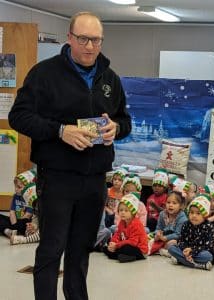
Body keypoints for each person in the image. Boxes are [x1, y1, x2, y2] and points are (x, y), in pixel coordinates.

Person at [8, 11, 131, 300]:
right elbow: (19, 117)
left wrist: (117, 128)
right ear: (70, 38)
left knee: (81, 252)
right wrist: (60, 131)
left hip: (95, 180)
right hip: (57, 178)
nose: (90, 46)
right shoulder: (44, 74)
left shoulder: (110, 78)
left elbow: (124, 120)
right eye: (83, 39)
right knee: (51, 250)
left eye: (96, 40)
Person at [168, 194, 214, 271]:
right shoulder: (186, 224)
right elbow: (182, 240)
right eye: (191, 212)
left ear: (205, 215)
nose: (194, 216)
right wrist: (185, 249)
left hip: (200, 252)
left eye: (198, 213)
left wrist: (192, 250)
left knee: (207, 256)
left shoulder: (209, 227)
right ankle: (198, 265)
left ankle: (181, 260)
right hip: (186, 251)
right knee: (171, 248)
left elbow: (209, 246)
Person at [103, 192, 148, 263]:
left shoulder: (137, 224)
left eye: (126, 210)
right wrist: (113, 242)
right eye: (121, 210)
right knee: (110, 243)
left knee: (125, 248)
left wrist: (117, 245)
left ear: (133, 212)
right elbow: (117, 234)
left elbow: (133, 242)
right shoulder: (122, 222)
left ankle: (119, 254)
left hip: (140, 250)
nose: (123, 212)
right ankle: (120, 255)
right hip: (125, 244)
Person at [148, 191, 187, 256]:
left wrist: (166, 238)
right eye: (168, 202)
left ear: (181, 206)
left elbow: (178, 234)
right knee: (148, 237)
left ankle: (164, 250)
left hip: (175, 239)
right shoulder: (162, 214)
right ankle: (160, 249)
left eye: (174, 203)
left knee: (172, 243)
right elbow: (158, 228)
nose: (170, 205)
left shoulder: (182, 218)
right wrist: (157, 234)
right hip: (162, 237)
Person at [0, 169, 36, 237]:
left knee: (25, 222)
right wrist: (14, 225)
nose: (16, 189)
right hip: (15, 222)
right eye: (15, 186)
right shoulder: (15, 196)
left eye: (19, 187)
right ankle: (8, 231)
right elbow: (12, 212)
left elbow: (28, 215)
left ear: (28, 188)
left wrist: (17, 226)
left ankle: (8, 230)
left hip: (24, 223)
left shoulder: (30, 198)